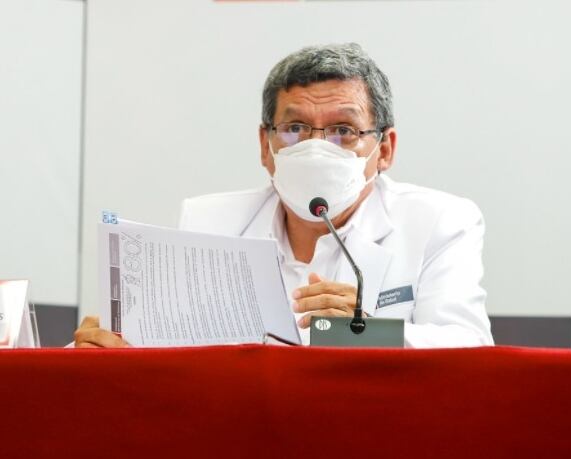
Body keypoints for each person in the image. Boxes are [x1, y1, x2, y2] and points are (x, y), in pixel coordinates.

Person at [75, 43, 493, 348]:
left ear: (384, 149)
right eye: (294, 128)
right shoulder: (209, 222)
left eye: (343, 131)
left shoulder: (439, 220)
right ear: (265, 145)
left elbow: (469, 345)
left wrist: (366, 333)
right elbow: (174, 349)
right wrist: (113, 347)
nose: (316, 147)